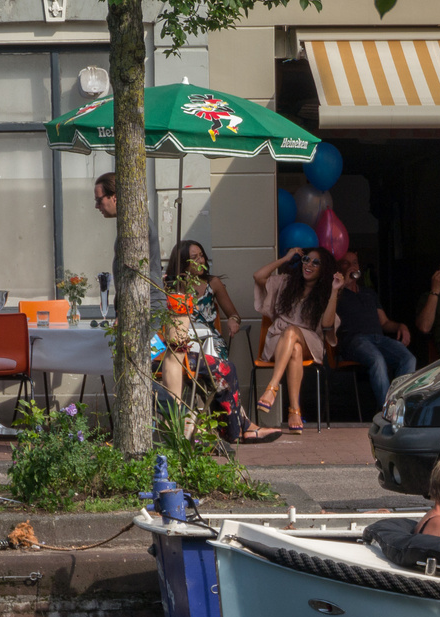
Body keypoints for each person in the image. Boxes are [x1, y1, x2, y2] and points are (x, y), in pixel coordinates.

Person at [159, 240, 281, 443]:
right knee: (218, 374)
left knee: (216, 368)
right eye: (195, 258)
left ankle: (219, 427)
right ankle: (241, 425)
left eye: (202, 255)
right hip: (180, 341)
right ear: (183, 264)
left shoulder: (212, 283)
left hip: (210, 338)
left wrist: (233, 321)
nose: (201, 260)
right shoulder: (170, 285)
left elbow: (233, 314)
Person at [253, 247, 344, 433]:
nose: (309, 264)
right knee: (293, 345)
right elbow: (258, 276)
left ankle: (272, 387)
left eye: (316, 262)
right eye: (306, 260)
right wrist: (285, 258)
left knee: (293, 332)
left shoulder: (325, 292)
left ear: (323, 269)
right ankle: (294, 410)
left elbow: (327, 325)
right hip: (278, 340)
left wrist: (334, 291)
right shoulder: (286, 282)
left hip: (309, 342)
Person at [335, 251, 417, 411]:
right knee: (377, 360)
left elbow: (385, 322)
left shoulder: (369, 293)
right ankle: (387, 412)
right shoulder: (336, 292)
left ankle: (400, 407)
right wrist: (341, 285)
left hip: (378, 339)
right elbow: (326, 317)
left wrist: (401, 326)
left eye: (355, 262)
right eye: (346, 263)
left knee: (408, 358)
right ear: (339, 268)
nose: (352, 266)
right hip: (354, 340)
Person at [94, 171, 161, 298]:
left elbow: (134, 270)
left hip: (146, 304)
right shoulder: (131, 223)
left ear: (114, 197)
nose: (97, 206)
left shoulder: (136, 225)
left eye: (99, 200)